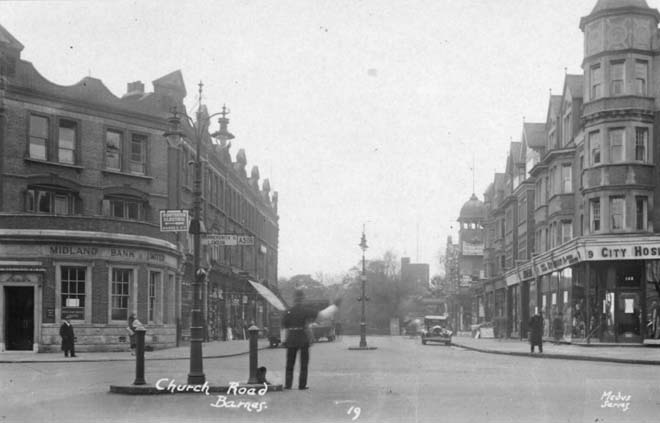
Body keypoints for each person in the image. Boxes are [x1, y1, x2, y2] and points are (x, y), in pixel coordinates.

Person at [282, 288, 340, 390]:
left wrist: (284, 341)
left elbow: (284, 328)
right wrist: (335, 306)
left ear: (294, 299)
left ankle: (288, 384)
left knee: (289, 364)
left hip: (291, 338)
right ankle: (302, 385)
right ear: (303, 298)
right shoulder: (306, 310)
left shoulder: (288, 311)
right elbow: (322, 316)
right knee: (304, 364)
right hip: (303, 338)